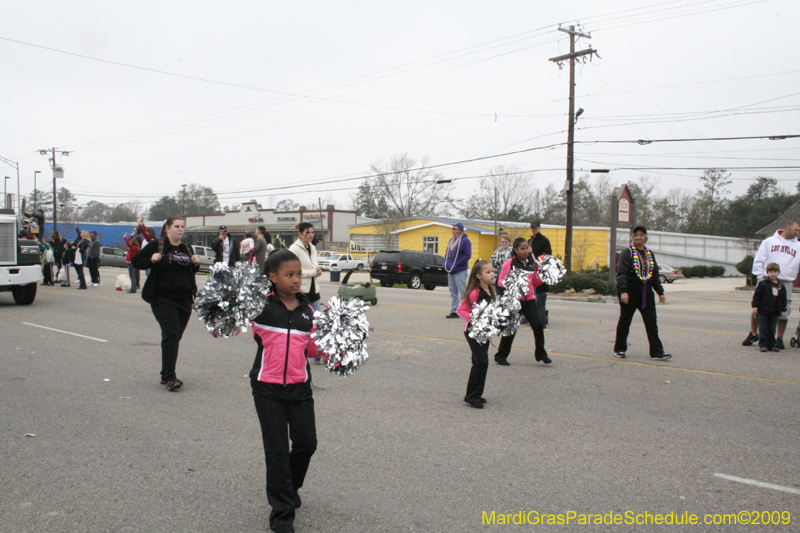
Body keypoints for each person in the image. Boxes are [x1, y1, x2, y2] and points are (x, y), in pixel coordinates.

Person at [250, 249, 319, 533]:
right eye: (289, 275)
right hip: (267, 388)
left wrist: (336, 345)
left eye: (299, 274)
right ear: (273, 277)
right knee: (277, 450)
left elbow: (313, 349)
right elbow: (230, 319)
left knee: (307, 443)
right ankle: (282, 514)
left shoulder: (309, 311)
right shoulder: (260, 307)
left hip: (300, 387)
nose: (295, 280)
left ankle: (290, 488)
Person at [132, 216, 200, 392]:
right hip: (163, 299)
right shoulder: (157, 245)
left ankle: (165, 373)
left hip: (185, 299)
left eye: (182, 226)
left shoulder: (186, 247)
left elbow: (189, 271)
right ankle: (170, 377)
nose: (180, 229)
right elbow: (136, 261)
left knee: (175, 336)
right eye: (176, 226)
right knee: (170, 334)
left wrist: (195, 264)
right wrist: (151, 259)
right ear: (167, 229)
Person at [613, 226, 671, 360]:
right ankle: (620, 349)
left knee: (651, 323)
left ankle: (657, 352)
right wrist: (623, 291)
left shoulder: (649, 254)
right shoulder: (627, 253)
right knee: (625, 321)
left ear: (646, 237)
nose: (639, 237)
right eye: (636, 235)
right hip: (630, 292)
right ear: (632, 237)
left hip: (646, 294)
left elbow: (654, 275)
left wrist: (660, 292)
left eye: (642, 235)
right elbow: (622, 273)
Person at [742, 220, 800, 349]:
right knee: (759, 308)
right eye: (796, 230)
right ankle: (753, 333)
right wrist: (761, 277)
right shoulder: (769, 242)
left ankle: (779, 338)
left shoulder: (798, 246)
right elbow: (759, 260)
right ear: (787, 228)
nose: (798, 233)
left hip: (786, 281)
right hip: (767, 280)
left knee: (783, 310)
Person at [494, 238, 549, 365]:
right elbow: (500, 281)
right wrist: (511, 284)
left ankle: (541, 354)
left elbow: (534, 282)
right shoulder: (509, 264)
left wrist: (544, 278)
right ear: (516, 250)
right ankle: (501, 356)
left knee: (538, 325)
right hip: (515, 300)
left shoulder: (531, 264)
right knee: (511, 328)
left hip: (529, 300)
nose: (525, 251)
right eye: (522, 249)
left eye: (527, 248)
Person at [457, 259, 496, 409]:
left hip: (484, 332)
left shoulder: (490, 290)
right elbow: (461, 310)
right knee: (482, 361)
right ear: (479, 276)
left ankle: (476, 393)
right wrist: (475, 319)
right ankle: (471, 396)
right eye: (488, 272)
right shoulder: (475, 292)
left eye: (492, 271)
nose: (492, 274)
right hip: (473, 331)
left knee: (479, 362)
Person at [752, 262, 787, 353]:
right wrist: (755, 306)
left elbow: (783, 299)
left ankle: (772, 345)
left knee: (772, 329)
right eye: (771, 271)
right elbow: (757, 295)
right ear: (767, 273)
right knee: (763, 328)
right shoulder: (763, 284)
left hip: (774, 311)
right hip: (763, 310)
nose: (773, 273)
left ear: (778, 273)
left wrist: (783, 310)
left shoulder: (781, 286)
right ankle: (763, 345)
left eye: (775, 271)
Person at [444, 222, 472, 319]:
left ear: (459, 230)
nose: (452, 230)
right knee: (453, 291)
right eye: (452, 228)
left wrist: (457, 264)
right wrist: (445, 263)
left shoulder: (465, 241)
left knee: (463, 291)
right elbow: (447, 253)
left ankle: (468, 309)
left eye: (454, 228)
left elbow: (467, 255)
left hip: (460, 269)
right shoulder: (451, 240)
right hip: (451, 269)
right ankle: (454, 310)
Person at [528, 220, 552, 328]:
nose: (534, 229)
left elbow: (548, 256)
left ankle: (542, 322)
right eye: (532, 227)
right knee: (532, 298)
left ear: (539, 228)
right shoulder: (530, 241)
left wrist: (539, 262)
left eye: (535, 227)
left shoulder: (544, 240)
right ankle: (533, 320)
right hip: (532, 272)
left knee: (541, 299)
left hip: (541, 272)